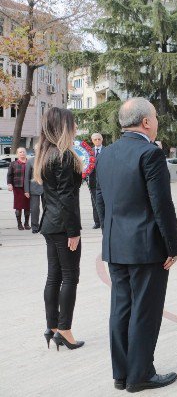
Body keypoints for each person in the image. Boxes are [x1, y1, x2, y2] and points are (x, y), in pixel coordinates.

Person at [96, 98, 177, 392]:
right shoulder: (150, 154)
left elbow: (100, 200)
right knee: (145, 311)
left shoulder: (106, 154)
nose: (157, 122)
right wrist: (172, 246)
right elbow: (162, 205)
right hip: (146, 247)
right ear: (146, 122)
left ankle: (121, 374)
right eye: (155, 117)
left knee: (121, 309)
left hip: (116, 244)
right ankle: (141, 374)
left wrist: (110, 232)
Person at [32, 108, 84, 351]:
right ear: (63, 127)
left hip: (50, 224)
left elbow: (50, 196)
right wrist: (73, 230)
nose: (74, 128)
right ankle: (64, 329)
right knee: (70, 277)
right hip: (63, 226)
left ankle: (52, 326)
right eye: (71, 124)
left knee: (54, 276)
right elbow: (66, 197)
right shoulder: (63, 156)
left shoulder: (45, 154)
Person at [7, 147, 31, 230]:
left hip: (28, 187)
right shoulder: (13, 164)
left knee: (27, 206)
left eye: (23, 152)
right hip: (17, 188)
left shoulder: (30, 163)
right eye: (20, 152)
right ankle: (19, 224)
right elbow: (9, 175)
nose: (22, 153)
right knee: (18, 206)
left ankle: (27, 223)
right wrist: (9, 184)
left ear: (26, 153)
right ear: (17, 154)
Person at [23, 149, 43, 233]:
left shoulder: (46, 159)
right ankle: (35, 227)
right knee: (34, 208)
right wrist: (26, 190)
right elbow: (26, 177)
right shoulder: (30, 161)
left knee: (48, 208)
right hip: (34, 188)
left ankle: (45, 226)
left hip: (47, 188)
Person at [87, 133, 104, 229]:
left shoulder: (107, 150)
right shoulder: (89, 152)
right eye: (95, 139)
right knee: (94, 203)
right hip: (93, 182)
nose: (97, 141)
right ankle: (97, 222)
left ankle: (104, 221)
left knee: (104, 202)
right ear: (92, 141)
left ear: (102, 140)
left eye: (99, 139)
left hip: (104, 182)